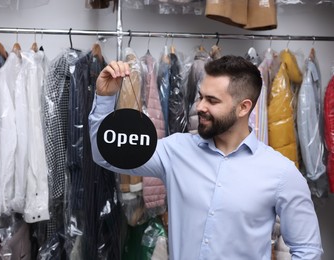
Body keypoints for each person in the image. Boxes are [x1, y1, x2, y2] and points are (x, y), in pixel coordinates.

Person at [88, 55, 323, 259]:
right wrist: (105, 98)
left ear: (243, 108)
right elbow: (106, 157)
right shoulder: (175, 151)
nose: (199, 106)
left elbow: (307, 248)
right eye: (201, 97)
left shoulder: (281, 173)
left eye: (212, 100)